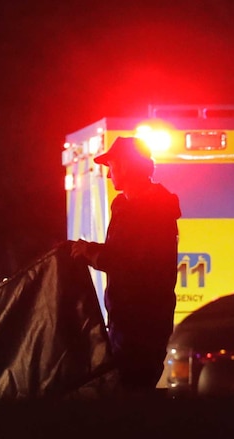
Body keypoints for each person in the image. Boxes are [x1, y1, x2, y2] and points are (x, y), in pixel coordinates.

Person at [71, 137, 181, 394]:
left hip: (140, 326)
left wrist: (88, 251)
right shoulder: (130, 206)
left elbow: (128, 261)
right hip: (129, 323)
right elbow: (124, 254)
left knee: (128, 396)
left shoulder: (149, 209)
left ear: (128, 166)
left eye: (111, 166)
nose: (109, 175)